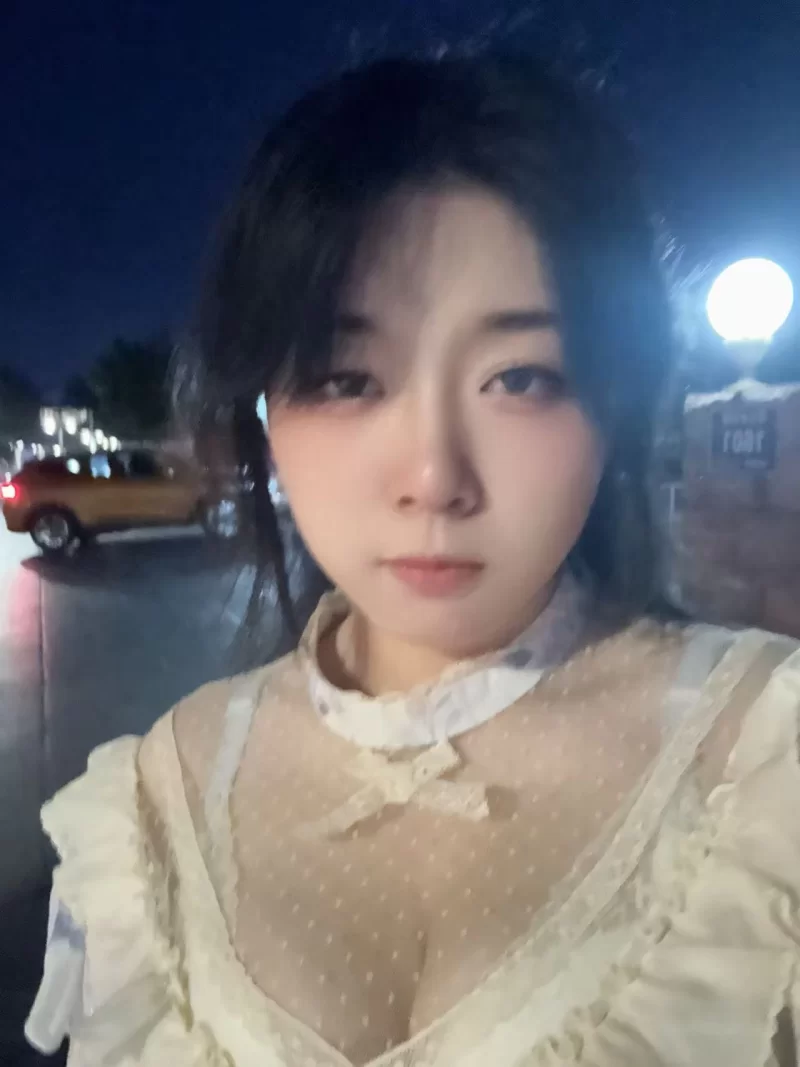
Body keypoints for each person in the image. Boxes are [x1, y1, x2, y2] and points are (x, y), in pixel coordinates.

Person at [25, 52, 800, 1067]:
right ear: (262, 412)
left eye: (520, 376)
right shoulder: (152, 808)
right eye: (348, 377)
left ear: (615, 403)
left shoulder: (764, 769)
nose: (434, 477)